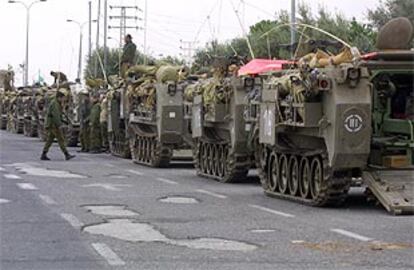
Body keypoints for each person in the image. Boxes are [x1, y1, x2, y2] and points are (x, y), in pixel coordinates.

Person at [40, 89, 75, 161]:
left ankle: (44, 154)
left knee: (50, 140)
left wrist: (65, 121)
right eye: (63, 98)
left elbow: (60, 114)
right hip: (53, 124)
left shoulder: (56, 103)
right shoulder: (55, 104)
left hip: (53, 124)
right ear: (60, 97)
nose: (64, 99)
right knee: (60, 139)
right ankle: (66, 154)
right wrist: (59, 124)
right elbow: (56, 115)